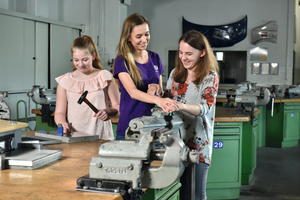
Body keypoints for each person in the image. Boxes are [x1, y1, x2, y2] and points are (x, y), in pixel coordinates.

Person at [164, 30, 219, 200]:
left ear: (202, 53)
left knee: (196, 194)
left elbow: (204, 108)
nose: (183, 57)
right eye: (181, 52)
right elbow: (167, 98)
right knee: (180, 194)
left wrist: (180, 105)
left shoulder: (210, 77)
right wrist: (158, 93)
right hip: (175, 143)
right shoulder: (175, 74)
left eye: (189, 53)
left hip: (199, 146)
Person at [113, 13, 176, 140]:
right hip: (130, 127)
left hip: (155, 126)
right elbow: (132, 92)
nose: (144, 39)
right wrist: (157, 100)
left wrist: (156, 89)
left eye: (146, 34)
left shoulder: (155, 58)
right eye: (138, 36)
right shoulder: (122, 61)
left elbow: (161, 93)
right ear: (128, 37)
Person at [54, 35, 120, 140]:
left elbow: (119, 107)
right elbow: (59, 112)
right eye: (76, 60)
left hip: (101, 135)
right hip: (75, 136)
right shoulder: (65, 81)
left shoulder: (105, 77)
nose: (80, 64)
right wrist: (62, 123)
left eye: (85, 60)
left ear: (93, 56)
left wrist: (109, 112)